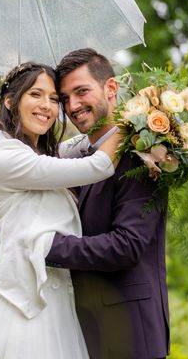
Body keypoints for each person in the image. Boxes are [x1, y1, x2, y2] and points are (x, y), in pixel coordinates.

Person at [0, 62, 121, 359]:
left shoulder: (34, 154)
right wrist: (136, 122)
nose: (47, 106)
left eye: (54, 99)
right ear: (10, 101)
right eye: (35, 94)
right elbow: (99, 165)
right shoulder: (5, 155)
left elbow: (79, 146)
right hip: (19, 310)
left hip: (53, 302)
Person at [45, 48, 170, 359]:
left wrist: (47, 247)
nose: (72, 106)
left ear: (111, 88)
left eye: (81, 91)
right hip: (87, 332)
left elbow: (127, 245)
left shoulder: (142, 155)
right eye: (64, 99)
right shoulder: (80, 158)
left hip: (131, 335)